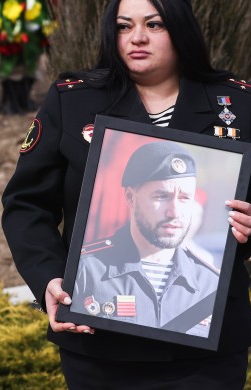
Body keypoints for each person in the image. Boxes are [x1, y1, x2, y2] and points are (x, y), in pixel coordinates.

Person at [1, 0, 251, 388]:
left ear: (181, 28)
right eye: (124, 25)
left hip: (205, 346)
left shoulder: (235, 102)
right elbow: (25, 204)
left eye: (154, 24)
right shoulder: (73, 99)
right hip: (101, 341)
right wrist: (50, 279)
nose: (136, 37)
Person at [71, 142, 220, 334]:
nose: (174, 212)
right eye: (161, 196)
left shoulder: (210, 283)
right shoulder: (85, 269)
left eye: (184, 198)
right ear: (131, 197)